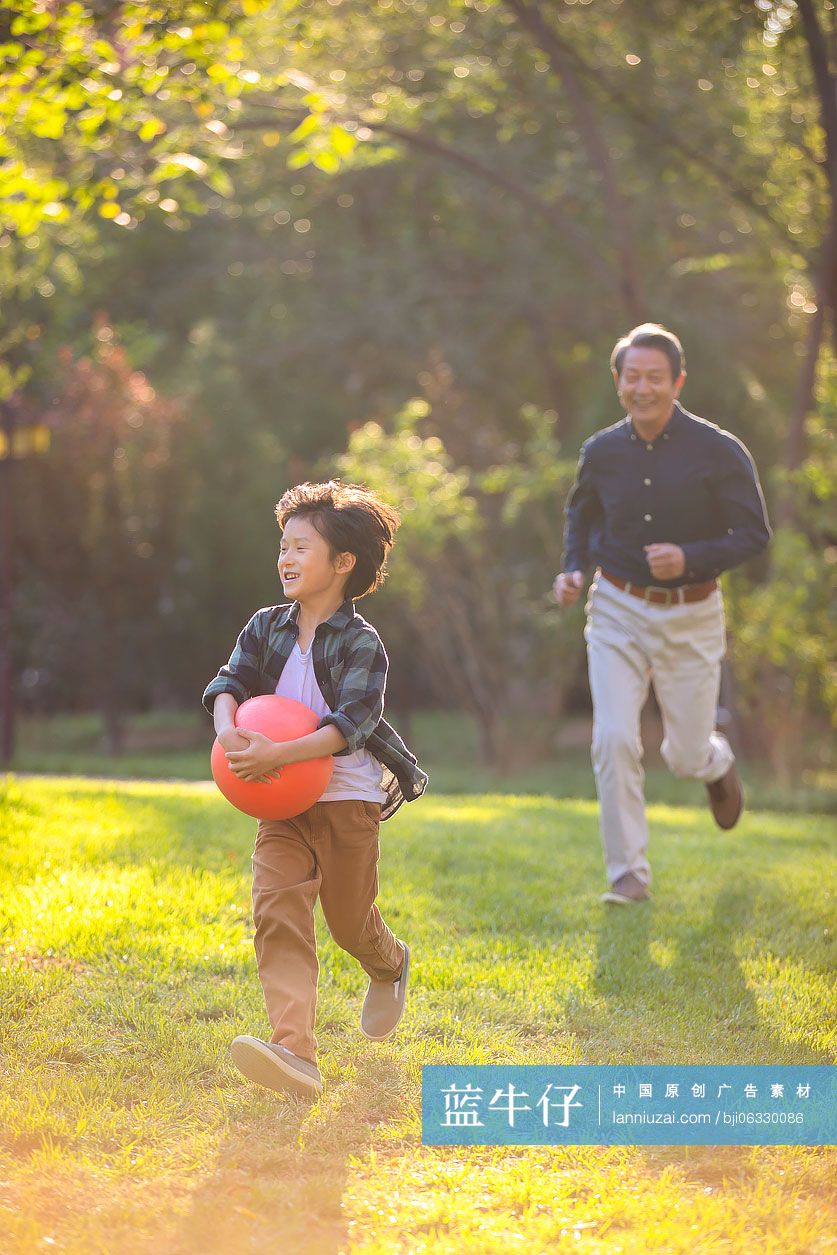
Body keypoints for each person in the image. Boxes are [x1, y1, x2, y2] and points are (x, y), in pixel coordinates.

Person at [203, 480, 427, 1097]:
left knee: (349, 922)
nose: (286, 559)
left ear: (343, 563)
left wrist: (280, 751)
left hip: (346, 798)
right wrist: (230, 733)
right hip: (279, 802)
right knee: (277, 913)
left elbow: (351, 725)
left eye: (302, 547)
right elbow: (229, 682)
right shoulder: (265, 626)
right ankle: (294, 1053)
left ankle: (389, 963)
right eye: (283, 547)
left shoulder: (362, 643)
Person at [553, 323, 771, 905]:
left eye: (655, 377)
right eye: (632, 377)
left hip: (692, 616)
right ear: (619, 382)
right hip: (617, 607)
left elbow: (753, 534)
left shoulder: (720, 452)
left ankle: (714, 762)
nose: (642, 387)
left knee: (683, 754)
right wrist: (573, 567)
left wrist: (692, 558)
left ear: (677, 382)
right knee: (615, 737)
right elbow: (582, 515)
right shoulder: (601, 452)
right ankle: (629, 875)